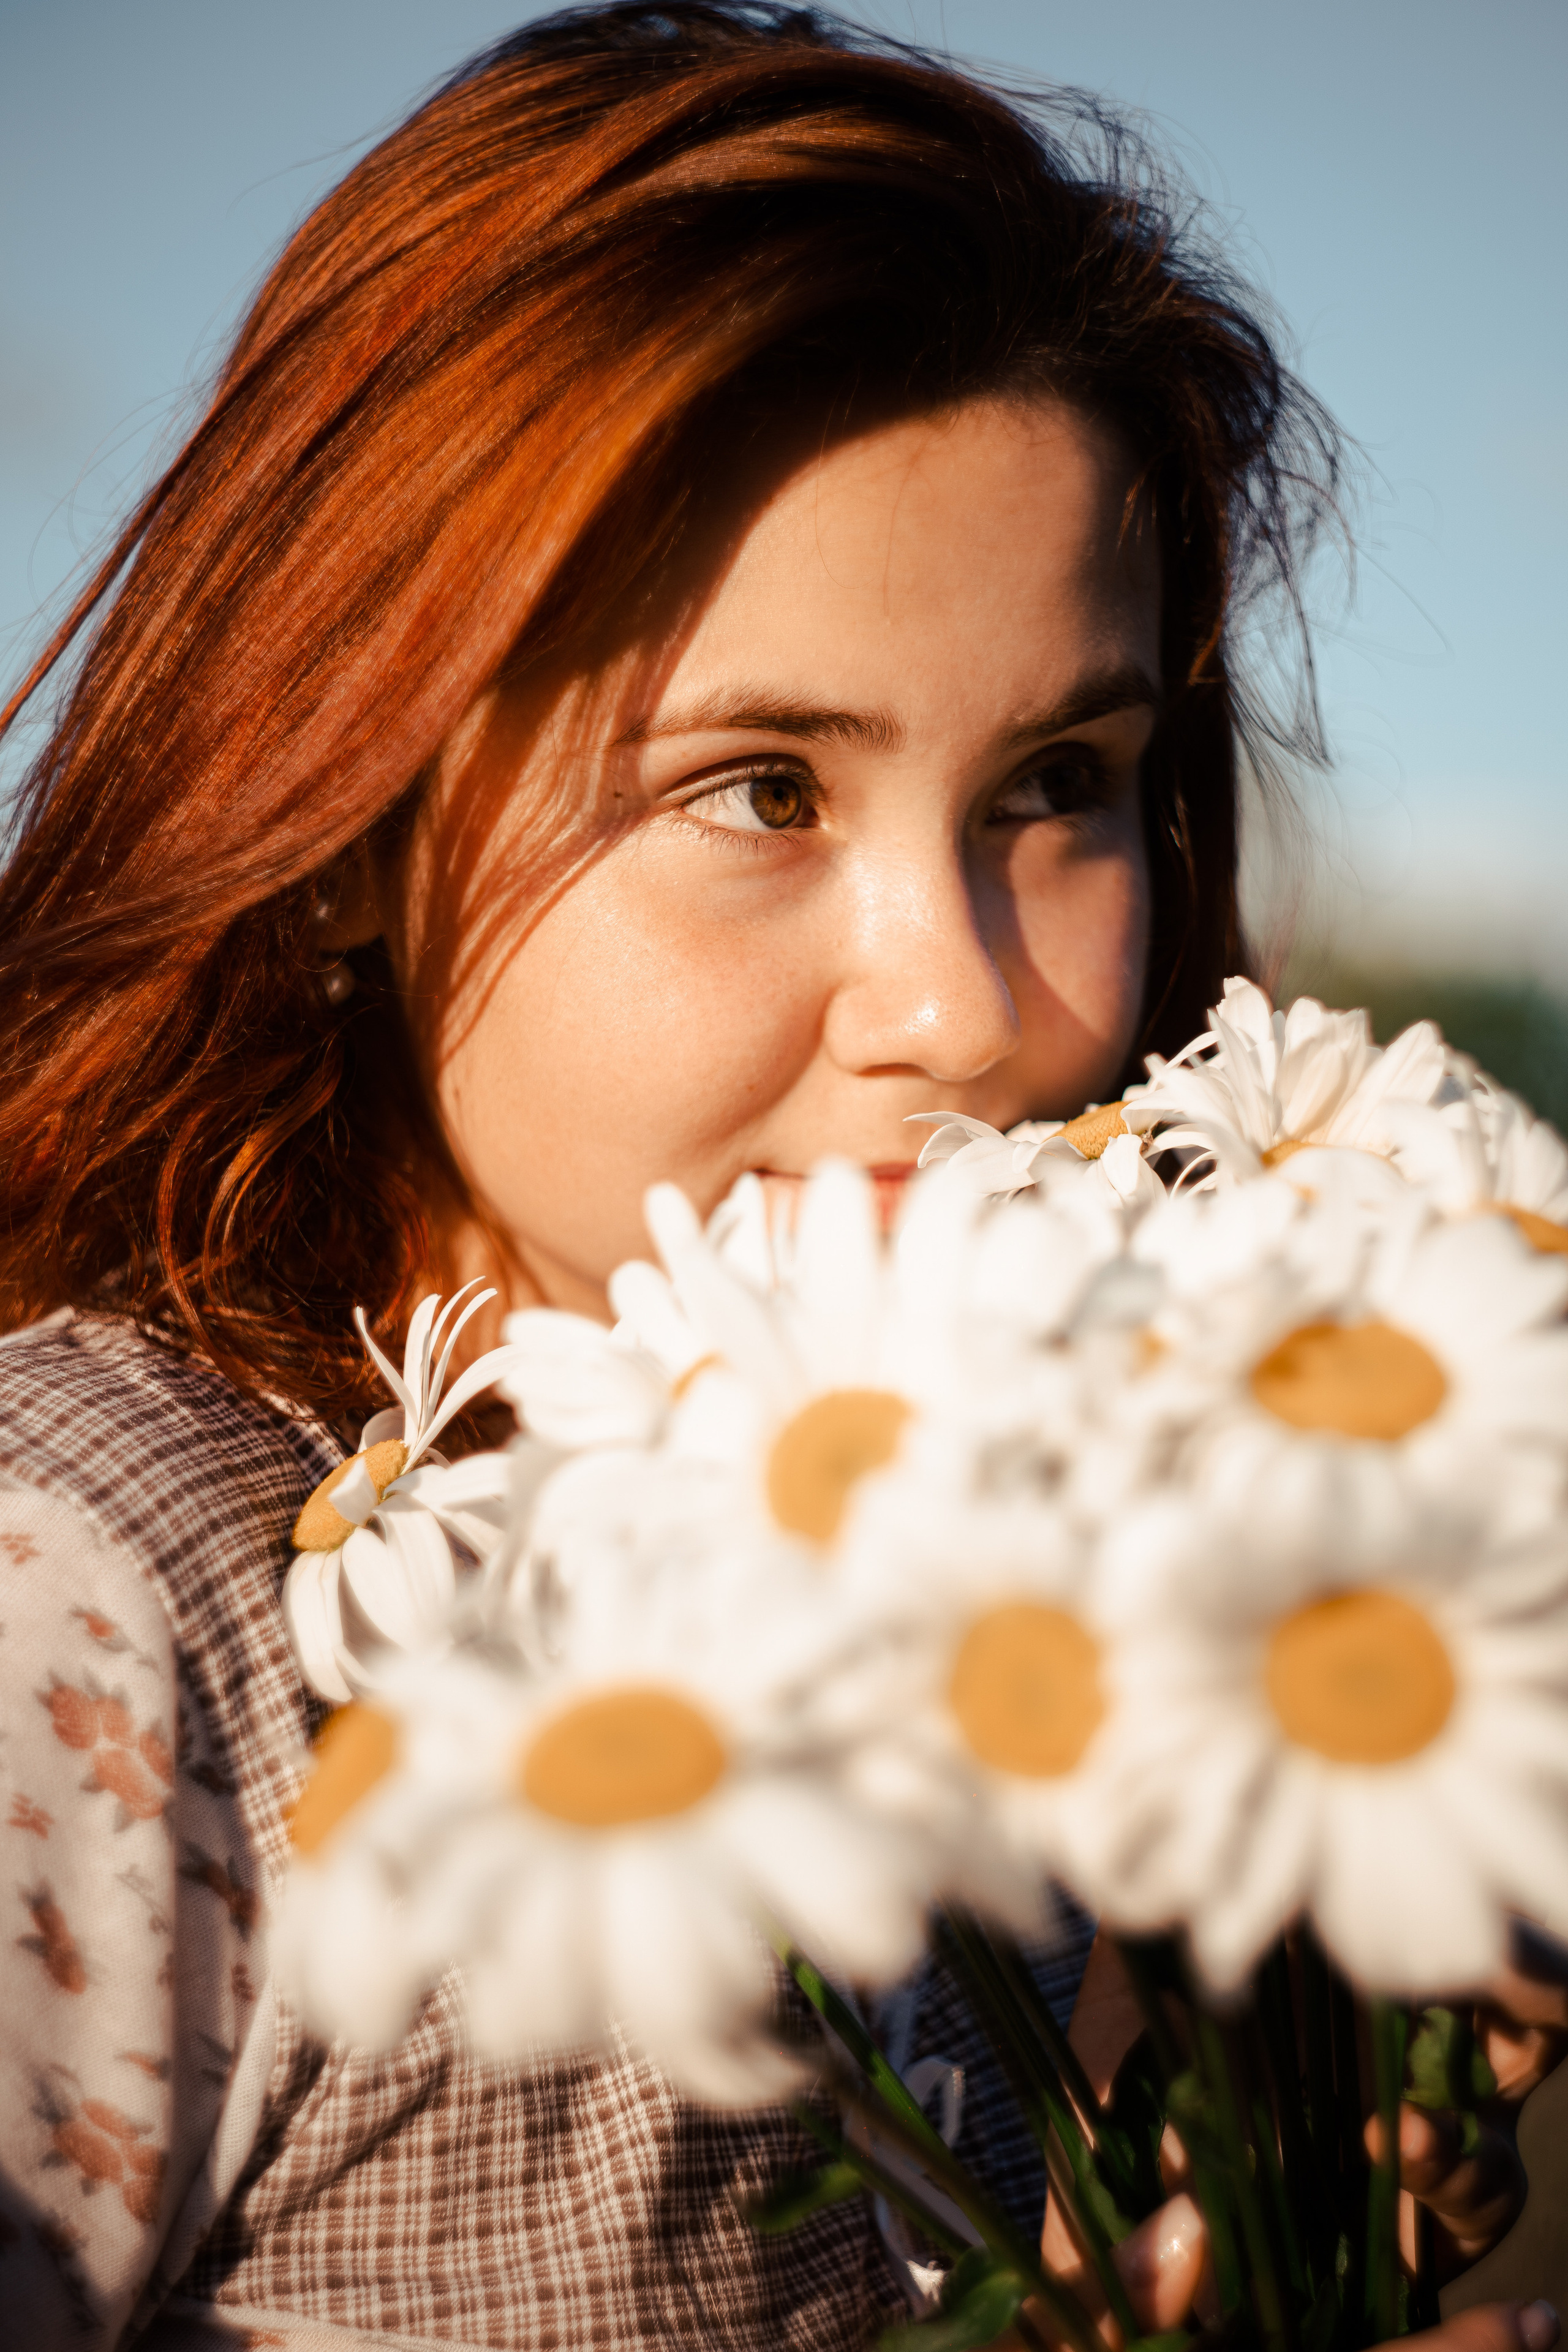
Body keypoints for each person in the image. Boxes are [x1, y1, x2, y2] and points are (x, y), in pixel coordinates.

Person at [0, 5, 1558, 2346]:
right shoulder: (98, 1606)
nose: (961, 1004)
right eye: (758, 790)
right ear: (343, 824)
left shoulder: (1104, 1607)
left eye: (1058, 781)